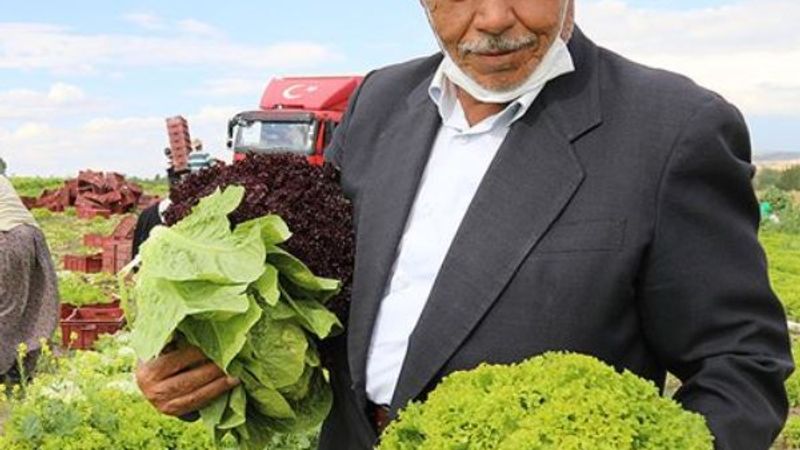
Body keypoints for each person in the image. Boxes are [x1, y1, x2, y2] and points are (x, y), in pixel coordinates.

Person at [136, 1, 794, 449]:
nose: (494, 19)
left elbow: (740, 366)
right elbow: (314, 303)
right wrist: (206, 361)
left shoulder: (671, 127)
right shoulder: (378, 102)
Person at [0, 175, 58, 382]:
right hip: (31, 236)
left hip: (6, 237)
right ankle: (20, 369)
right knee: (32, 305)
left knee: (4, 309)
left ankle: (5, 370)